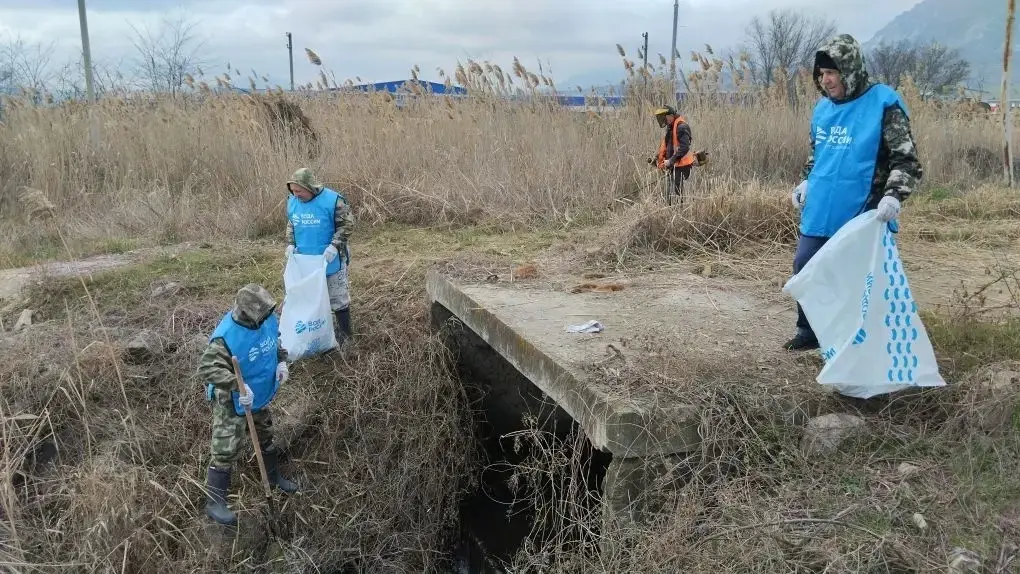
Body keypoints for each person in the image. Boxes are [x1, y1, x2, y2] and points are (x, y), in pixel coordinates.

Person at [787, 33, 923, 351]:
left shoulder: (883, 104)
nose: (826, 80)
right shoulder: (823, 109)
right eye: (821, 74)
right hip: (822, 206)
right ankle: (809, 331)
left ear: (849, 70)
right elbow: (817, 155)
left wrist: (894, 195)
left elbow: (906, 159)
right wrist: (806, 181)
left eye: (832, 72)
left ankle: (858, 342)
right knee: (806, 264)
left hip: (865, 209)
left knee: (856, 278)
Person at [199, 283, 299, 526]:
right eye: (261, 315)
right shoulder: (226, 338)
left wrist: (281, 362)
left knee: (265, 434)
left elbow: (275, 341)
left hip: (260, 393)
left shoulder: (266, 318)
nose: (266, 318)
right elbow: (207, 368)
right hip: (233, 399)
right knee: (225, 447)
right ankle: (215, 501)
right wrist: (237, 385)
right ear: (246, 313)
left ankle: (273, 478)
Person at [285, 167, 356, 343]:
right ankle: (316, 334)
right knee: (310, 299)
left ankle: (346, 336)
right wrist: (291, 244)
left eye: (299, 191)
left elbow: (347, 225)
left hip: (330, 259)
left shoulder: (333, 201)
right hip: (304, 261)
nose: (296, 195)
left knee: (338, 297)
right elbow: (292, 224)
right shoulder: (292, 202)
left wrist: (334, 246)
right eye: (293, 191)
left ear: (309, 187)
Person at [652, 105, 697, 203]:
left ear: (671, 115)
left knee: (678, 194)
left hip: (682, 166)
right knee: (670, 194)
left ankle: (679, 212)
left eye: (665, 116)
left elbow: (684, 148)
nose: (663, 119)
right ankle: (671, 210)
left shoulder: (681, 127)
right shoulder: (671, 127)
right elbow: (669, 147)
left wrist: (671, 160)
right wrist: (658, 158)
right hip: (674, 165)